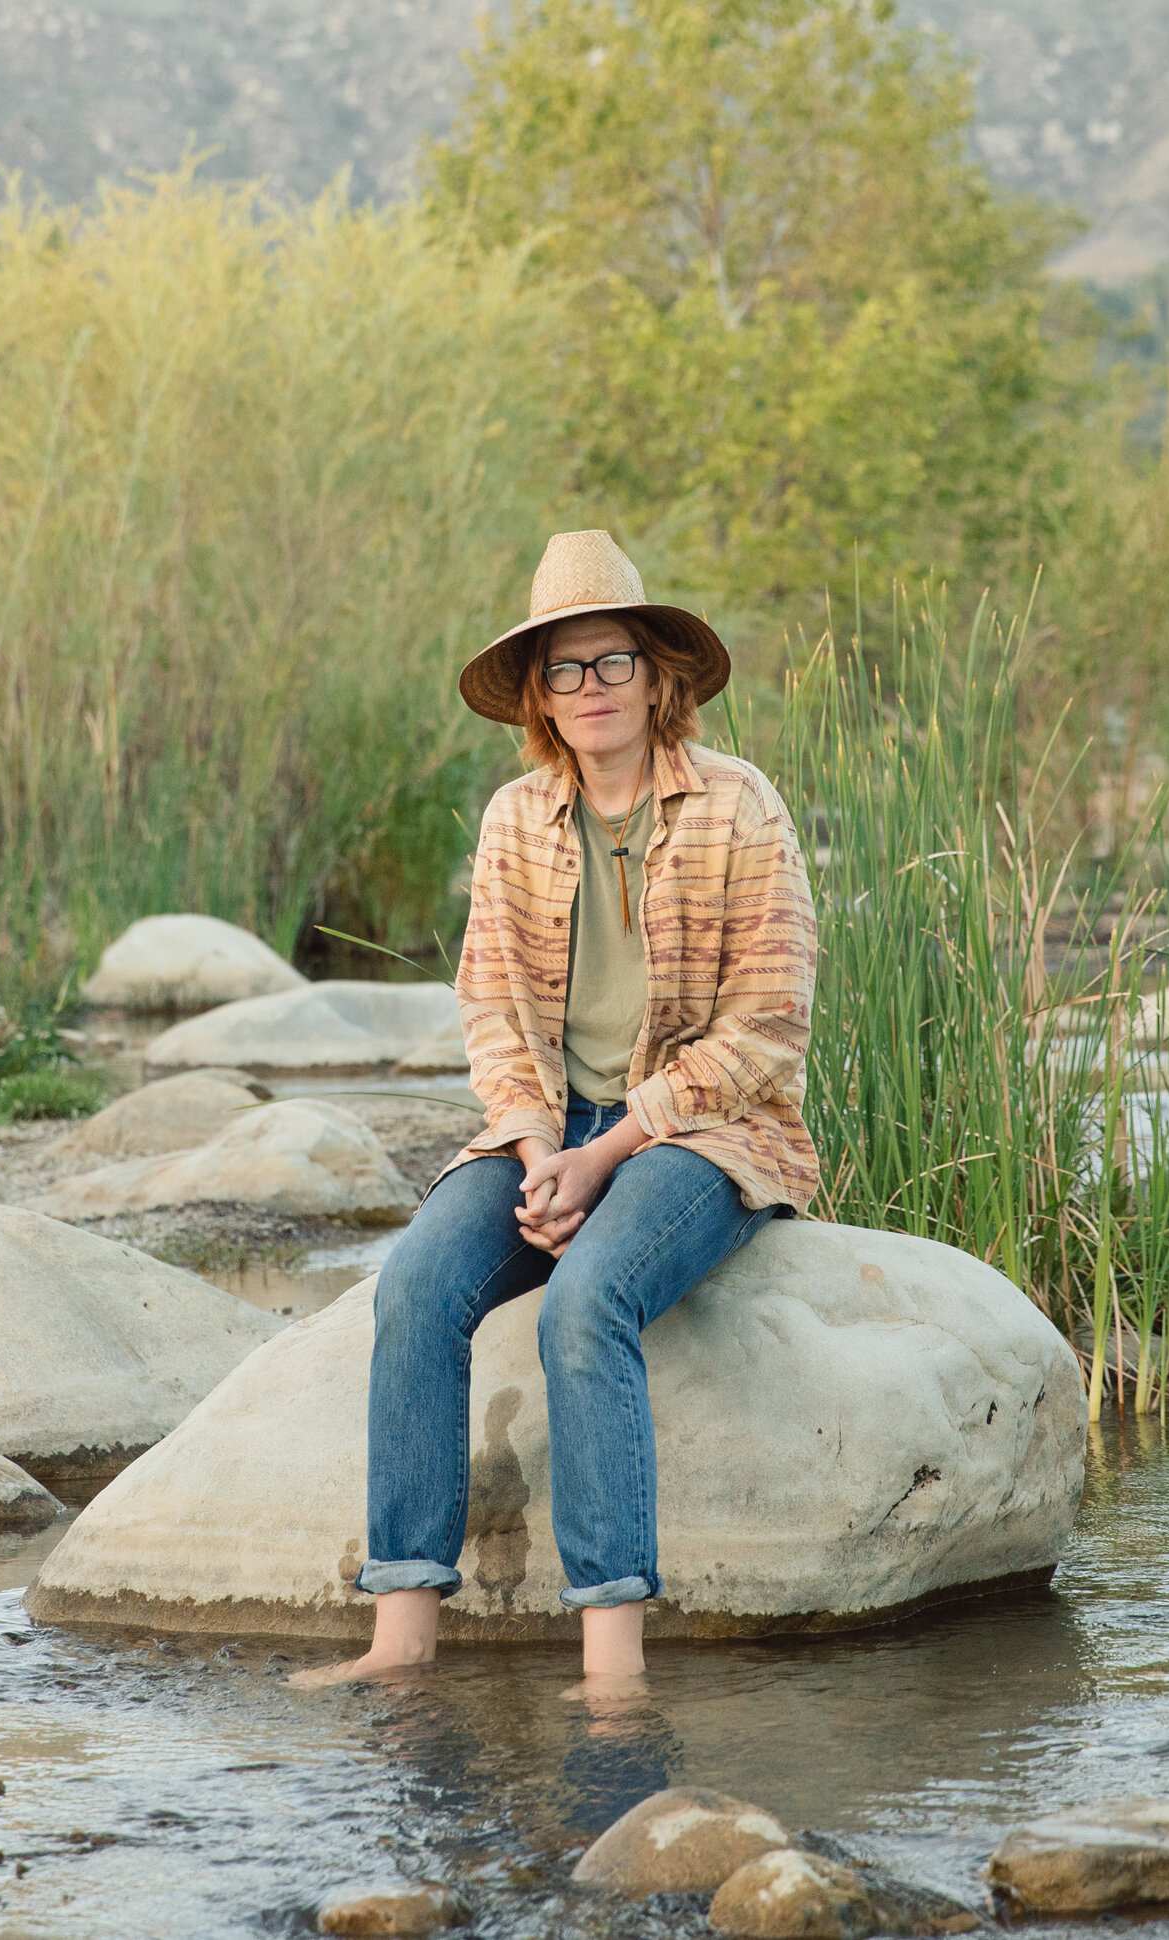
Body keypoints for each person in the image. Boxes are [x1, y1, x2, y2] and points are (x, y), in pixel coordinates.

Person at [293, 529, 817, 1691]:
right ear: (538, 690)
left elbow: (769, 1027)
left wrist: (611, 1151)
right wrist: (538, 1148)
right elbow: (490, 1010)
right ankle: (401, 1635)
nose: (591, 688)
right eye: (565, 668)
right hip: (549, 1126)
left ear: (656, 673)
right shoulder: (514, 819)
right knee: (419, 1280)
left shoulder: (739, 806)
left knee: (587, 1298)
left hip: (701, 1134)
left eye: (612, 661)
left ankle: (613, 1660)